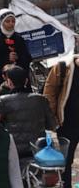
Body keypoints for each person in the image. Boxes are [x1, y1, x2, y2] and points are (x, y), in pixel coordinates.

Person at [0, 65, 57, 157]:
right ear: (26, 81)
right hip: (39, 150)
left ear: (9, 82)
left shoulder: (3, 101)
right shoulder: (41, 99)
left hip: (14, 151)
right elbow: (52, 125)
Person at [42, 54, 79, 187]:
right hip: (67, 123)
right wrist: (54, 119)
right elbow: (49, 92)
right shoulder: (63, 67)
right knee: (66, 161)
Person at [0, 9, 32, 98]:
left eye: (13, 21)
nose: (11, 24)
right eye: (8, 21)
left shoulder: (19, 38)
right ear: (1, 22)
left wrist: (18, 58)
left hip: (19, 80)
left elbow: (27, 57)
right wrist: (6, 58)